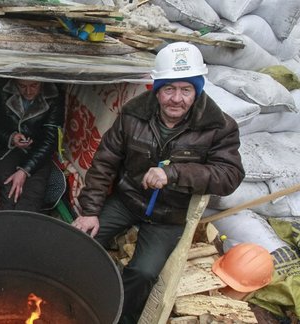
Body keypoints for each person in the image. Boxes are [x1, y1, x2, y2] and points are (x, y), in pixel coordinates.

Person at [71, 42, 245, 323]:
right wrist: (90, 210)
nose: (177, 99)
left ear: (197, 90)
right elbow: (105, 161)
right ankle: (71, 294)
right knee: (80, 239)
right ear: (157, 89)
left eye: (186, 89)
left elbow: (230, 175)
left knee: (143, 272)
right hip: (128, 200)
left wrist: (175, 173)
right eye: (169, 89)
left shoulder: (218, 126)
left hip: (169, 215)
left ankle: (118, 316)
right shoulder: (133, 114)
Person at [0, 79, 65, 212]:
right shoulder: (2, 91)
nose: (28, 91)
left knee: (32, 198)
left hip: (38, 152)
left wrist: (24, 170)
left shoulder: (54, 97)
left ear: (42, 82)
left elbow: (50, 140)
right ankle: (4, 230)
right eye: (22, 86)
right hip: (6, 149)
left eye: (34, 85)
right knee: (10, 194)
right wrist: (11, 137)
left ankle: (22, 230)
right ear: (15, 83)